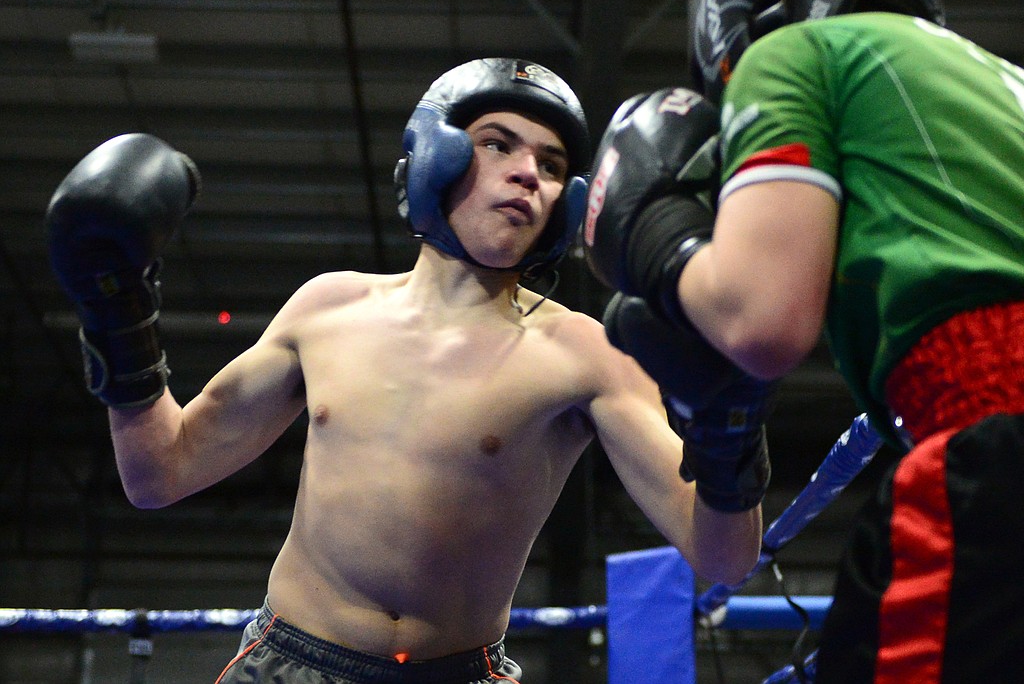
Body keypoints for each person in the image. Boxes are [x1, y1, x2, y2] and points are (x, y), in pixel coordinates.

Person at [581, 0, 1024, 681]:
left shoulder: (796, 52)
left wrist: (654, 231)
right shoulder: (1022, 93)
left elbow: (762, 322)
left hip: (1014, 469)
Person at [43, 57, 764, 683]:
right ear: (435, 157)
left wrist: (729, 422)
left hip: (463, 673)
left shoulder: (585, 352)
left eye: (550, 166)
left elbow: (722, 555)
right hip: (291, 664)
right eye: (498, 145)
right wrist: (119, 318)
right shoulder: (328, 309)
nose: (527, 175)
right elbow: (158, 473)